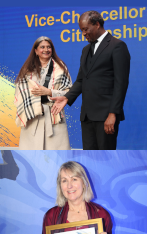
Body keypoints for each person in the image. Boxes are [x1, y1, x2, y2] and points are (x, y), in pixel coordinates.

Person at [50, 11, 130, 150]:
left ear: (97, 24)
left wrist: (113, 114)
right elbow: (82, 80)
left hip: (106, 116)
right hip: (87, 116)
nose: (84, 33)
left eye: (86, 29)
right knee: (89, 157)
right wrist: (67, 98)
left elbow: (121, 84)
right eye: (81, 30)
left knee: (106, 158)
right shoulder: (85, 50)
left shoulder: (117, 46)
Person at [14, 36, 73, 150]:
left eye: (48, 47)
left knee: (56, 153)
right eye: (42, 47)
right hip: (32, 117)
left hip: (54, 115)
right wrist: (35, 105)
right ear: (36, 51)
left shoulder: (61, 67)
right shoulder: (27, 69)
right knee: (31, 155)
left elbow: (69, 92)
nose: (46, 50)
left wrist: (49, 92)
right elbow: (20, 92)